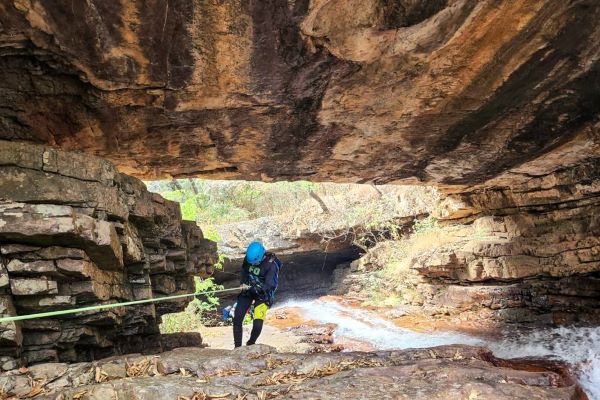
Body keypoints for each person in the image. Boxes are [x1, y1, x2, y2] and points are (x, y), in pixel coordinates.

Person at [233, 241, 281, 347]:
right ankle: (237, 347)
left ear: (262, 256)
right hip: (248, 291)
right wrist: (243, 283)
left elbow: (270, 285)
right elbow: (244, 272)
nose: (253, 264)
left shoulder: (271, 265)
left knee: (258, 323)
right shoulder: (248, 259)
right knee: (237, 318)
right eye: (252, 263)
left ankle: (251, 343)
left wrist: (255, 288)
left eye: (255, 263)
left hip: (263, 295)